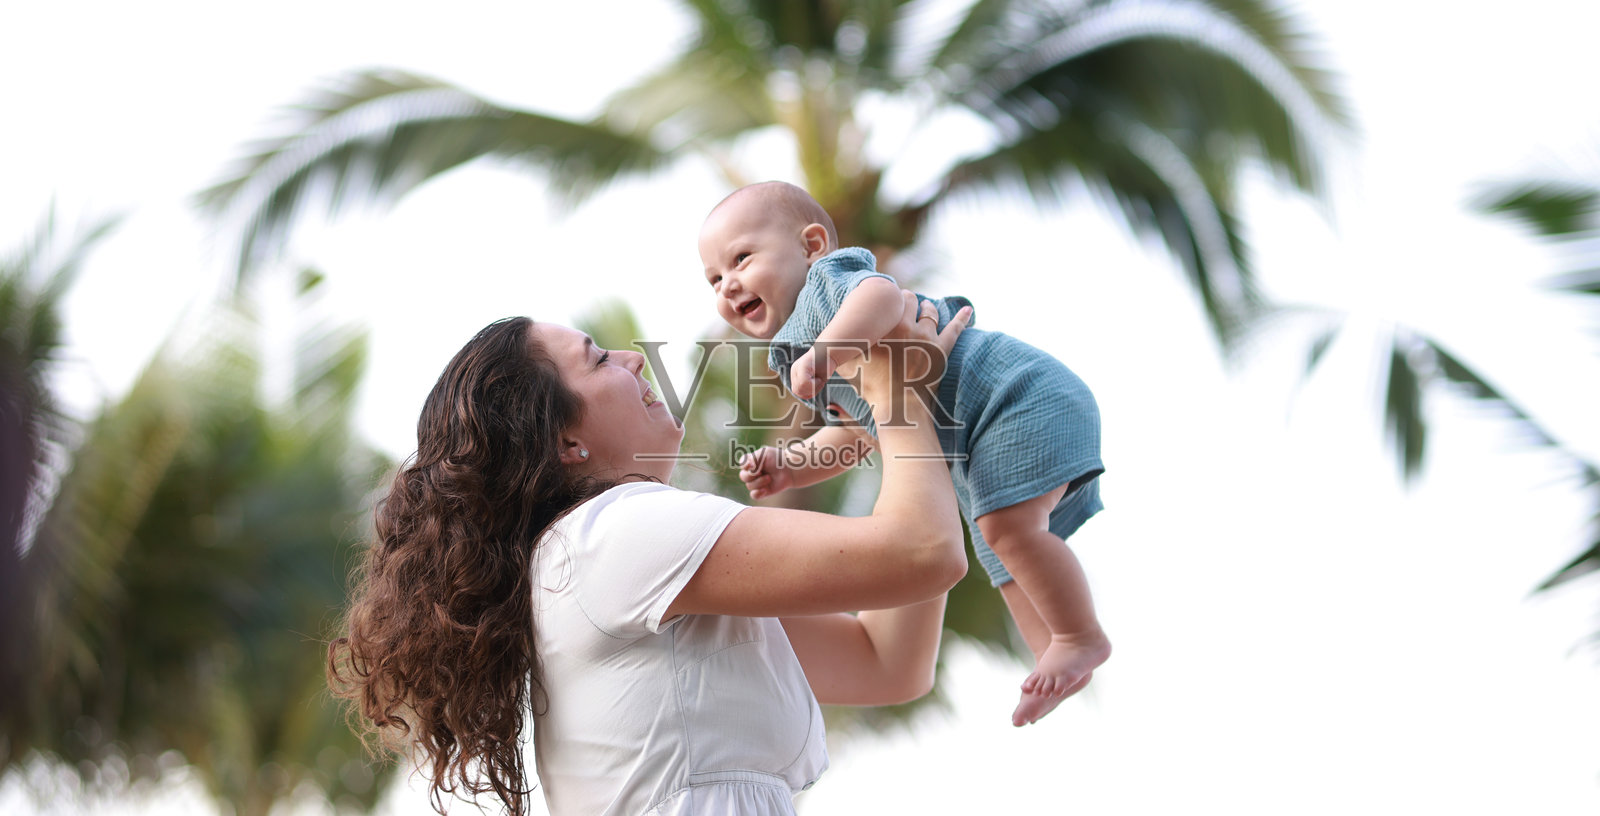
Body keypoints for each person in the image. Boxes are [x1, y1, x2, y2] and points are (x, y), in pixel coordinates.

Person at [327, 292, 970, 816]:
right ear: (565, 440)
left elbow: (887, 664)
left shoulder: (604, 559)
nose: (635, 358)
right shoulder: (614, 533)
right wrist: (901, 396)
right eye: (599, 358)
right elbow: (923, 552)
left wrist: (914, 419)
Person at [697, 180, 1111, 727]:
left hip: (1014, 394)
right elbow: (864, 428)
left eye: (741, 259)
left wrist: (826, 353)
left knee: (1008, 533)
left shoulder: (830, 285)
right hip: (973, 437)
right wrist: (792, 464)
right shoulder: (795, 350)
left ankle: (1079, 636)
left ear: (812, 245)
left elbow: (884, 297)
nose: (729, 285)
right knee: (1002, 552)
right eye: (715, 278)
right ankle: (1052, 653)